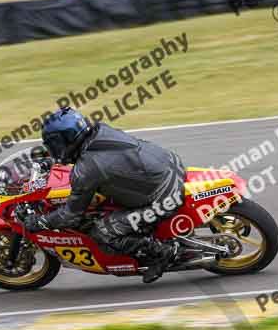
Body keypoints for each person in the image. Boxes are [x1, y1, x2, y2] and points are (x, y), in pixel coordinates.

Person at [18, 107, 185, 283]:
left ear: (66, 139)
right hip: (168, 164)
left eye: (54, 144)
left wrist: (41, 221)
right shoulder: (100, 131)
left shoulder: (86, 170)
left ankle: (161, 252)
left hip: (165, 197)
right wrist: (51, 162)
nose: (53, 149)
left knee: (102, 232)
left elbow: (70, 217)